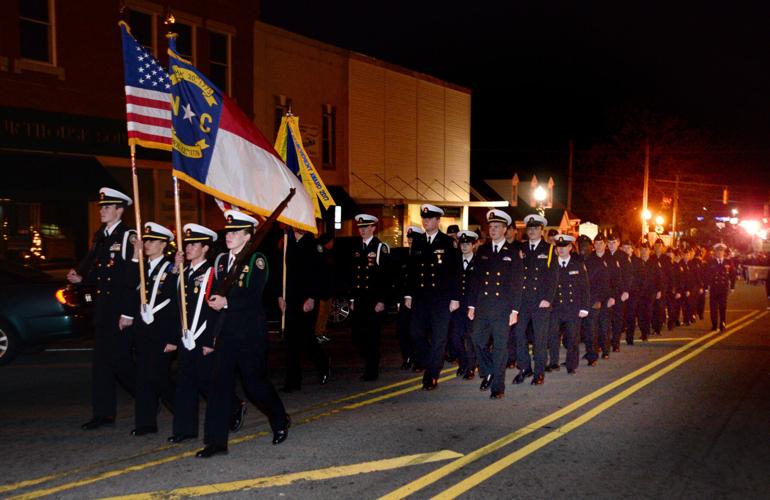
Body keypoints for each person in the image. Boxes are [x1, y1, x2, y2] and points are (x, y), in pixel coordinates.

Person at [197, 210, 290, 458]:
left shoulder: (256, 260)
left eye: (236, 232)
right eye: (229, 231)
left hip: (249, 334)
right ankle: (215, 442)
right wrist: (210, 336)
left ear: (248, 236)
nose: (229, 236)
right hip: (226, 334)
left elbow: (254, 296)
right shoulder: (220, 261)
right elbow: (213, 300)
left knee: (254, 385)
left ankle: (280, 419)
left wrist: (227, 303)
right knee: (219, 386)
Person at [168, 224, 246, 444]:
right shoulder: (183, 272)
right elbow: (174, 304)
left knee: (206, 382)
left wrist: (211, 339)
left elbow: (215, 311)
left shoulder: (212, 273)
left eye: (194, 244)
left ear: (205, 248)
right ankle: (185, 429)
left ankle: (234, 406)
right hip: (186, 337)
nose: (188, 248)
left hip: (203, 336)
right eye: (187, 244)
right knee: (184, 383)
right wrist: (174, 271)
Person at [68, 187, 137, 431]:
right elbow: (100, 272)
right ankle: (103, 414)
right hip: (104, 309)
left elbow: (132, 279)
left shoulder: (128, 237)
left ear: (120, 210)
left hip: (120, 309)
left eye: (107, 207)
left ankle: (147, 394)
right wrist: (81, 277)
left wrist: (128, 312)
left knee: (120, 360)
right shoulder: (101, 237)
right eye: (101, 207)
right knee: (101, 364)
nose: (102, 211)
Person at [123, 222, 178, 436]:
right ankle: (145, 424)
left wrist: (173, 337)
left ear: (163, 244)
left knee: (159, 377)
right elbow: (129, 285)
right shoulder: (141, 266)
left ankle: (182, 412)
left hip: (162, 331)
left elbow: (176, 306)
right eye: (145, 240)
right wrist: (135, 257)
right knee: (144, 378)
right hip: (143, 330)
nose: (147, 244)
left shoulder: (172, 268)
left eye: (152, 241)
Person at [404, 204, 460, 390]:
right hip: (421, 297)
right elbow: (412, 271)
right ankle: (432, 359)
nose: (426, 221)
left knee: (439, 337)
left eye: (429, 218)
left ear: (437, 221)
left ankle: (432, 375)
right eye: (424, 218)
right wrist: (408, 294)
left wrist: (455, 298)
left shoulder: (448, 242)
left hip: (441, 299)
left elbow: (455, 272)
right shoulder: (418, 241)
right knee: (415, 333)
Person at [467, 211, 520, 399]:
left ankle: (498, 386)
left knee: (500, 347)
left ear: (505, 229)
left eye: (497, 227)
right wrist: (471, 305)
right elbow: (475, 280)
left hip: (502, 308)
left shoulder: (512, 252)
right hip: (483, 306)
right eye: (491, 227)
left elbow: (517, 283)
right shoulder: (482, 250)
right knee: (477, 340)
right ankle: (489, 370)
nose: (493, 230)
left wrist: (515, 310)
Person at [279, 227, 331, 391]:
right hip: (289, 299)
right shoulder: (286, 243)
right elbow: (279, 272)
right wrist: (279, 295)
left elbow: (321, 274)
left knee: (307, 339)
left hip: (307, 299)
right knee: (290, 341)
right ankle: (293, 381)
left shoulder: (314, 245)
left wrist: (313, 297)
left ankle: (323, 364)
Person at [512, 214, 556, 386]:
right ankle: (525, 368)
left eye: (535, 228)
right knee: (518, 334)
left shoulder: (549, 249)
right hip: (522, 301)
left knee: (539, 338)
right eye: (529, 228)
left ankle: (539, 372)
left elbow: (553, 277)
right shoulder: (521, 248)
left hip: (540, 301)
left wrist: (548, 298)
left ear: (541, 230)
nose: (531, 231)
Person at [350, 214, 390, 381]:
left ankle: (371, 370)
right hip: (360, 299)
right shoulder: (356, 248)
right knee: (357, 335)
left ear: (373, 228)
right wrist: (352, 299)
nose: (363, 230)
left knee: (372, 336)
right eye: (360, 227)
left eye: (366, 227)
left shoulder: (380, 248)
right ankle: (369, 361)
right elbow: (353, 275)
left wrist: (382, 300)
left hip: (374, 301)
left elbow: (386, 277)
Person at [547, 235, 590, 374]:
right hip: (555, 307)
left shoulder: (577, 265)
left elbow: (585, 288)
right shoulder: (551, 264)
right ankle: (554, 362)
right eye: (559, 246)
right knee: (553, 336)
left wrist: (584, 307)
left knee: (572, 338)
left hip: (573, 307)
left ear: (570, 247)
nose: (561, 249)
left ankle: (571, 365)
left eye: (564, 246)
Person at [577, 235, 609, 366]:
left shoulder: (597, 262)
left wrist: (599, 299)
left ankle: (592, 356)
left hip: (592, 300)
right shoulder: (575, 260)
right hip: (577, 301)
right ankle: (578, 357)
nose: (582, 248)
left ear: (591, 247)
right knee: (580, 331)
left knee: (592, 330)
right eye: (580, 245)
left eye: (585, 245)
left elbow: (604, 283)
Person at [451, 230, 479, 380]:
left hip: (472, 306)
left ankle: (471, 366)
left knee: (470, 337)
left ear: (473, 245)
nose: (464, 246)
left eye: (468, 243)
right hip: (457, 305)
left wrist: (474, 305)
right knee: (455, 337)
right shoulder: (454, 261)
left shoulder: (479, 262)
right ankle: (463, 362)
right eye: (462, 243)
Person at [395, 226, 424, 370]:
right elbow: (399, 280)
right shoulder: (404, 255)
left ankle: (420, 359)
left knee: (417, 331)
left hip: (419, 300)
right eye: (409, 238)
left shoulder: (423, 256)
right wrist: (398, 300)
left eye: (414, 238)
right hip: (404, 300)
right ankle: (407, 356)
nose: (411, 241)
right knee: (402, 330)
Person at [606, 233, 632, 349]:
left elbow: (628, 275)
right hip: (607, 292)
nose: (611, 245)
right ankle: (604, 342)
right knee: (605, 319)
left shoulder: (623, 256)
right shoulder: (604, 255)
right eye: (609, 243)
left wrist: (626, 291)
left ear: (618, 243)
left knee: (617, 318)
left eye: (614, 242)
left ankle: (615, 342)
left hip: (619, 292)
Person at [704, 243, 737, 331]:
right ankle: (714, 324)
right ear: (715, 252)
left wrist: (732, 287)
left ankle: (723, 323)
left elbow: (733, 274)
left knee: (723, 306)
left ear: (724, 252)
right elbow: (706, 275)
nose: (719, 253)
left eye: (721, 251)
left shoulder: (728, 262)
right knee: (713, 307)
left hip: (723, 288)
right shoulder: (711, 262)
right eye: (718, 251)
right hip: (714, 287)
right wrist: (706, 288)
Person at [314, 233, 336, 344]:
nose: (332, 243)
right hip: (322, 291)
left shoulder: (328, 253)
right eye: (331, 241)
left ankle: (322, 332)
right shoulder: (320, 252)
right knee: (320, 313)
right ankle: (317, 334)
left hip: (328, 289)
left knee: (326, 313)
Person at [622, 239, 644, 345]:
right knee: (621, 315)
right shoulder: (619, 260)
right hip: (621, 292)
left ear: (632, 249)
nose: (626, 250)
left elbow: (641, 278)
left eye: (628, 248)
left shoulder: (638, 261)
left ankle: (629, 337)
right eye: (624, 248)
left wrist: (638, 291)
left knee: (631, 315)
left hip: (633, 293)